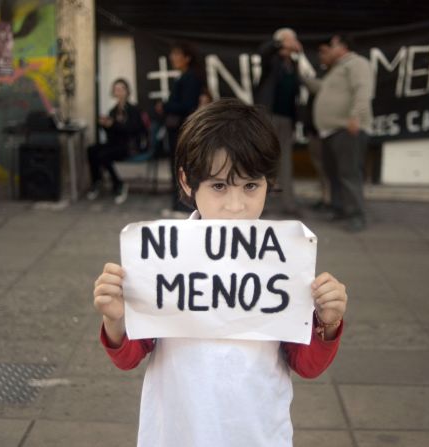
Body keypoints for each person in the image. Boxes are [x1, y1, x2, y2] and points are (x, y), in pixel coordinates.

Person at [93, 99, 347, 446]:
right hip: (177, 433)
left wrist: (327, 324)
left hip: (258, 432)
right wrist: (117, 321)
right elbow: (129, 357)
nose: (235, 206)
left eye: (250, 187)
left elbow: (307, 365)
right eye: (218, 186)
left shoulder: (282, 261)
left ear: (268, 182)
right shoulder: (164, 259)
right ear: (186, 182)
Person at [301, 33, 373, 232]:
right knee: (335, 174)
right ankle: (340, 208)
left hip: (347, 128)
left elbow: (363, 90)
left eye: (332, 46)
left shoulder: (356, 64)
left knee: (350, 174)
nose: (328, 50)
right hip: (330, 131)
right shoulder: (337, 69)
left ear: (343, 47)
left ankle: (357, 215)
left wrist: (356, 117)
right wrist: (305, 78)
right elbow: (322, 89)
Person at [254, 28, 303, 216]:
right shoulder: (271, 60)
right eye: (288, 41)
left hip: (287, 117)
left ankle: (289, 204)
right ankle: (259, 205)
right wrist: (280, 44)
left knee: (286, 161)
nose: (292, 45)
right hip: (269, 115)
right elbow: (263, 50)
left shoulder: (293, 64)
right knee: (263, 160)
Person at [156, 41, 204, 217]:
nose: (173, 58)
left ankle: (184, 207)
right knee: (177, 167)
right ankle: (178, 205)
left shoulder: (190, 77)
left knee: (181, 167)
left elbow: (187, 105)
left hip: (183, 130)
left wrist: (166, 106)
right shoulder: (184, 76)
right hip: (177, 129)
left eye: (177, 54)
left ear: (187, 58)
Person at [86, 78, 146, 205]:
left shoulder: (133, 109)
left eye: (121, 89)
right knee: (92, 150)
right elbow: (112, 135)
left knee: (103, 155)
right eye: (116, 89)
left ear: (127, 91)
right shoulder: (113, 111)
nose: (118, 92)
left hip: (130, 146)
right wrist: (105, 125)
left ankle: (119, 184)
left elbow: (133, 129)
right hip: (116, 144)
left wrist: (114, 124)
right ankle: (97, 181)